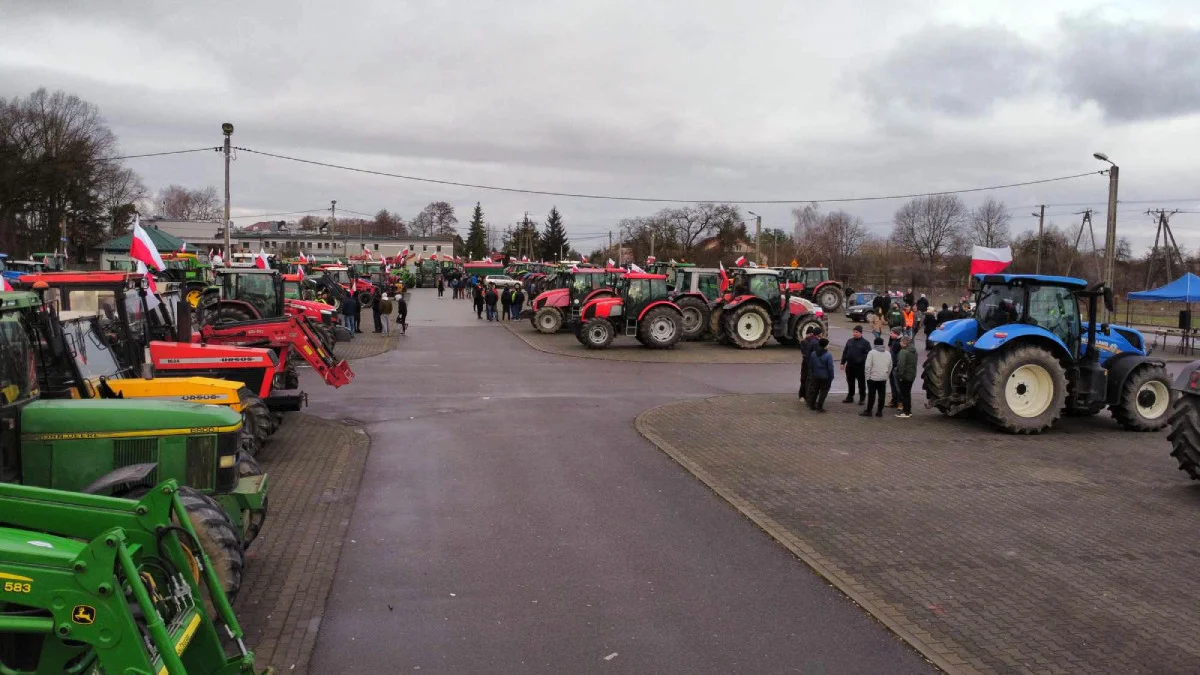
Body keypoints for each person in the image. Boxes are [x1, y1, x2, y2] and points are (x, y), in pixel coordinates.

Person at [860, 336, 892, 417]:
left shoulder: (872, 353)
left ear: (874, 343)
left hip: (873, 378)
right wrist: (886, 375)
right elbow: (890, 366)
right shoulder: (888, 353)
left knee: (871, 395)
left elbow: (868, 366)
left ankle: (869, 410)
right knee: (882, 395)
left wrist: (867, 377)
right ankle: (879, 411)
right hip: (883, 377)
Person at [841, 325, 871, 404]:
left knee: (861, 383)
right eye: (854, 332)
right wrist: (842, 362)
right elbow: (845, 352)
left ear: (860, 333)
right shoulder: (849, 341)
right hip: (850, 366)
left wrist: (861, 360)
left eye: (856, 332)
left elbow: (868, 354)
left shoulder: (865, 343)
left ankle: (862, 398)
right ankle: (850, 396)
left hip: (860, 367)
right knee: (850, 382)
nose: (854, 333)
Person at [807, 337, 835, 412]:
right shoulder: (828, 355)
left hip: (815, 376)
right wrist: (831, 377)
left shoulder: (813, 353)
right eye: (828, 344)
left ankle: (812, 405)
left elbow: (811, 365)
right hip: (825, 377)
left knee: (815, 390)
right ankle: (820, 406)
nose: (828, 346)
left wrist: (812, 374)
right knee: (823, 391)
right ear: (825, 345)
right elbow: (830, 368)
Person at [895, 335, 918, 418]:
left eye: (901, 341)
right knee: (907, 393)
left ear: (903, 343)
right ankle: (908, 410)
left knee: (904, 394)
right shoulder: (914, 351)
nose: (900, 343)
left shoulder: (903, 352)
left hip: (905, 376)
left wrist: (899, 376)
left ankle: (906, 412)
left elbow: (901, 365)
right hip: (911, 375)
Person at [797, 326, 820, 402]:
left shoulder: (812, 341)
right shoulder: (805, 342)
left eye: (811, 334)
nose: (810, 335)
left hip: (808, 362)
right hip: (806, 363)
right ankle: (802, 395)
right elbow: (804, 353)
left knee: (808, 380)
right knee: (804, 379)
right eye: (809, 334)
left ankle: (806, 395)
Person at [887, 328, 902, 407]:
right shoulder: (894, 341)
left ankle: (897, 401)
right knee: (893, 384)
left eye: (892, 333)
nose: (890, 334)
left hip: (895, 367)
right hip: (893, 366)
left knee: (896, 385)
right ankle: (895, 400)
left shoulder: (898, 343)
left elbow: (896, 357)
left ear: (897, 334)